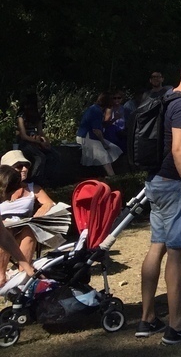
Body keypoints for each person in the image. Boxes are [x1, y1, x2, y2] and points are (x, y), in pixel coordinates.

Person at [137, 55, 181, 344]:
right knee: (177, 252)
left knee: (158, 245)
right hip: (174, 184)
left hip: (155, 181)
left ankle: (146, 319)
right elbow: (180, 149)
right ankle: (176, 325)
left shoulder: (166, 98)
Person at [0, 156, 62, 285]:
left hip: (19, 226)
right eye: (8, 194)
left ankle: (19, 276)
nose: (9, 198)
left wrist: (29, 270)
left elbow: (4, 238)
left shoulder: (33, 188)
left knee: (28, 231)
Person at [76, 91, 123, 177]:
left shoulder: (97, 109)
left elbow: (102, 125)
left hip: (93, 137)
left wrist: (114, 119)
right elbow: (96, 130)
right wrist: (103, 143)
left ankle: (111, 174)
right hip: (87, 137)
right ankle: (112, 176)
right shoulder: (96, 111)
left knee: (114, 149)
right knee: (104, 155)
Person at [15, 93, 51, 185]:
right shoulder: (21, 116)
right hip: (25, 142)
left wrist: (45, 141)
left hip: (36, 141)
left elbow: (40, 132)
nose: (40, 103)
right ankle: (34, 182)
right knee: (40, 157)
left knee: (54, 155)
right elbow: (23, 135)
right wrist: (37, 141)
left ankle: (49, 179)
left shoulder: (37, 116)